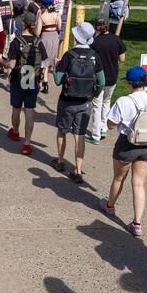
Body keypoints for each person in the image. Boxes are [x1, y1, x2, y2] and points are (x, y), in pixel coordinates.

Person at [102, 65, 147, 237]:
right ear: (145, 82)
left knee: (118, 178)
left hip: (127, 145)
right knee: (139, 184)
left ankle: (110, 206)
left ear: (130, 83)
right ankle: (137, 223)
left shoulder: (124, 101)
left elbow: (110, 125)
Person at [50, 21, 105, 186]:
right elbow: (101, 82)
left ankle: (60, 161)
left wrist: (55, 66)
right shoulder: (95, 56)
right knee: (79, 136)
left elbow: (58, 80)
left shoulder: (69, 55)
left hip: (67, 100)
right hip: (84, 102)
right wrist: (93, 95)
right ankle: (78, 170)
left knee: (62, 131)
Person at [4, 11, 44, 155]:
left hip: (18, 80)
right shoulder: (39, 42)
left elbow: (12, 65)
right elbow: (44, 63)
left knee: (16, 108)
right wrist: (42, 80)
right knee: (29, 111)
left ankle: (15, 132)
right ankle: (27, 143)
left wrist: (1, 61)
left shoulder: (16, 42)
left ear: (23, 24)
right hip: (33, 80)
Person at [88, 20, 126, 144]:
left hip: (99, 77)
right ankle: (103, 128)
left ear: (96, 28)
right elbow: (122, 59)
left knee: (97, 105)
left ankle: (95, 134)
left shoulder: (95, 42)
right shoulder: (116, 40)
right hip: (112, 76)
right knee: (106, 102)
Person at [37, 0, 62, 93]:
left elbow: (38, 32)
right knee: (50, 61)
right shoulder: (57, 15)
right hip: (55, 37)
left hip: (45, 37)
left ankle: (44, 83)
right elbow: (60, 27)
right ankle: (46, 82)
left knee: (44, 61)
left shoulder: (42, 16)